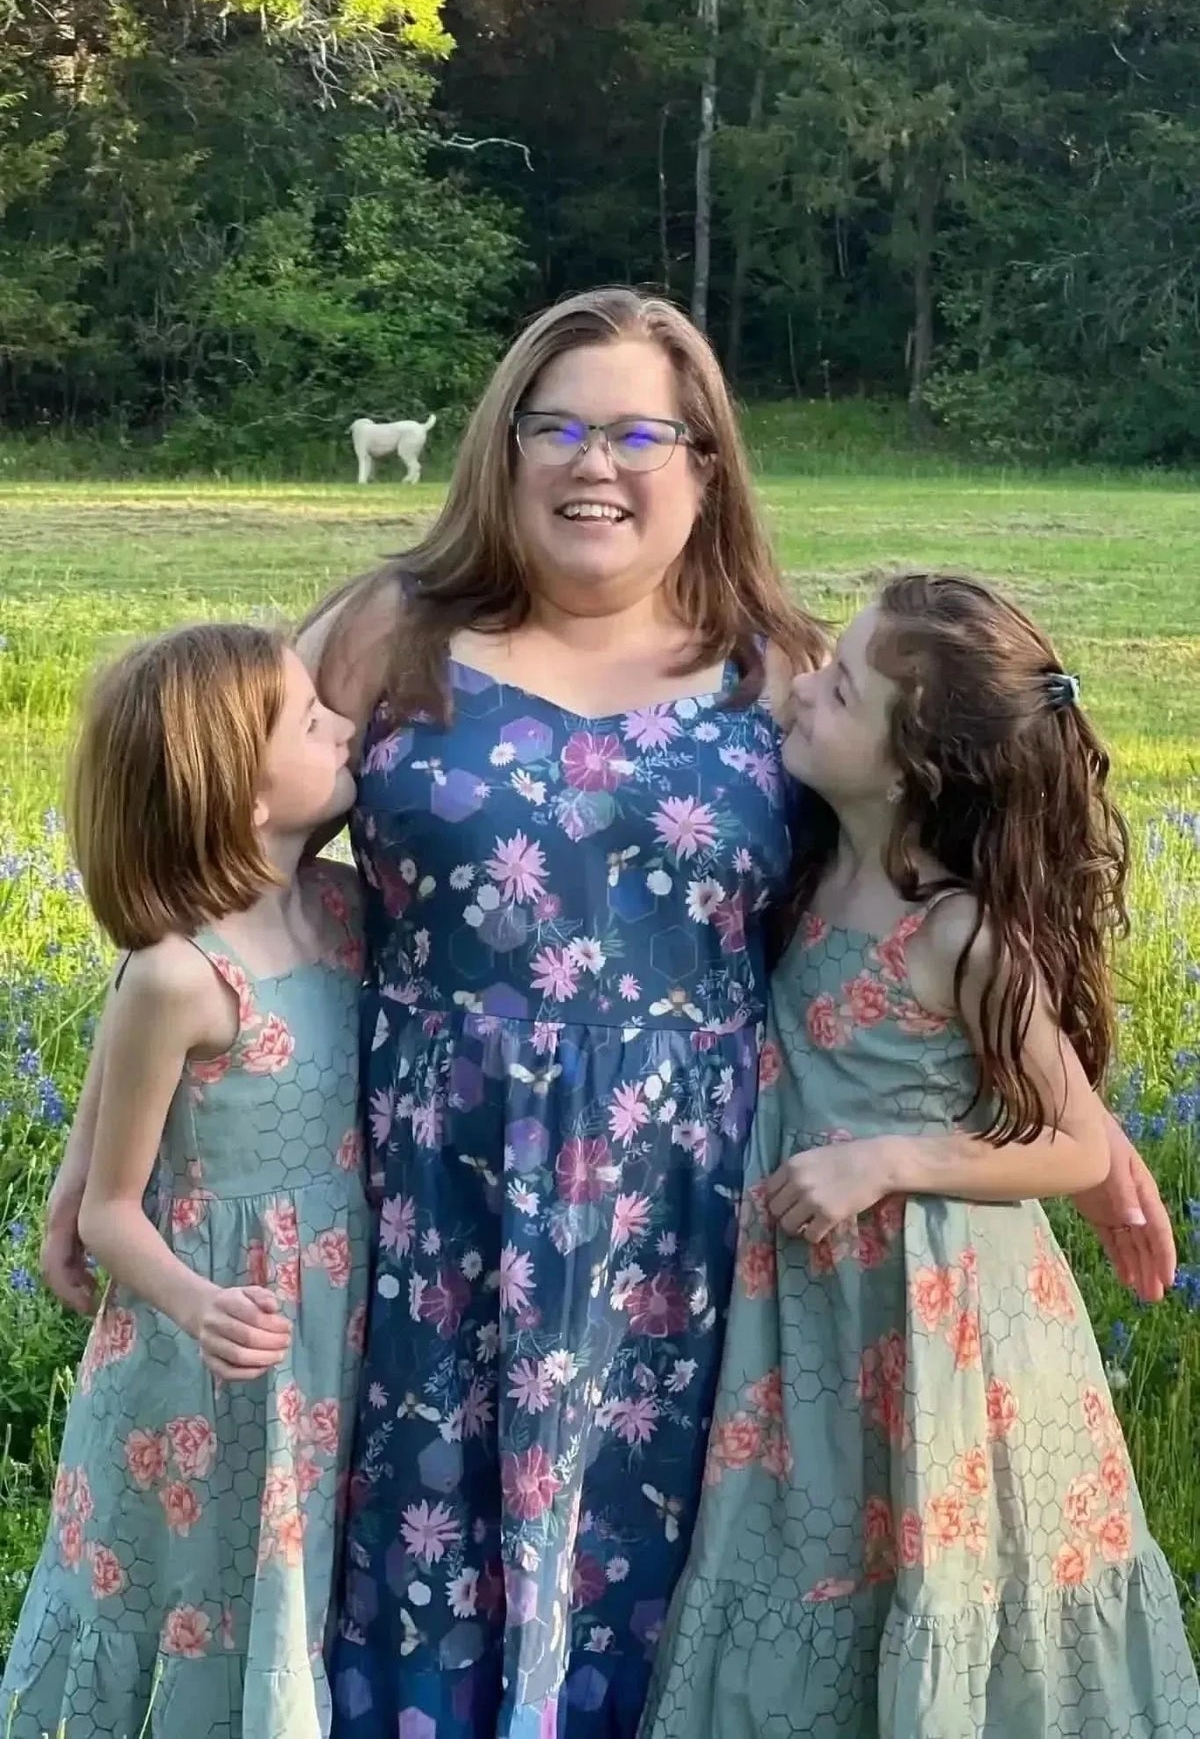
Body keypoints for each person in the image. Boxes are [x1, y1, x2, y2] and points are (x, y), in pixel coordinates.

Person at [37, 290, 1178, 1738]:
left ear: (705, 463)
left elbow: (915, 891)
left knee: (673, 1560)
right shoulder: (395, 630)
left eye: (642, 433)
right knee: (426, 1560)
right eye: (558, 426)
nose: (597, 463)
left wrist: (1084, 1136)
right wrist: (97, 1152)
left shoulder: (776, 664)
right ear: (502, 446)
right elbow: (212, 869)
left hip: (697, 1218)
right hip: (430, 1206)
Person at [640, 574, 1200, 1738]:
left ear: (910, 770)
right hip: (818, 1318)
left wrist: (889, 1158)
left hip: (939, 1318)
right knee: (823, 1554)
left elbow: (1072, 1141)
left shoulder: (958, 930)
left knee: (947, 1563)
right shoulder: (816, 862)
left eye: (842, 688)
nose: (806, 688)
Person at [3, 625, 370, 1739]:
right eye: (312, 719)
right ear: (245, 796)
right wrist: (198, 1303)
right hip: (207, 1344)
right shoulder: (180, 976)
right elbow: (110, 1211)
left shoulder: (347, 906)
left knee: (289, 1573)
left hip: (331, 1317)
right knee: (191, 1577)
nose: (346, 725)